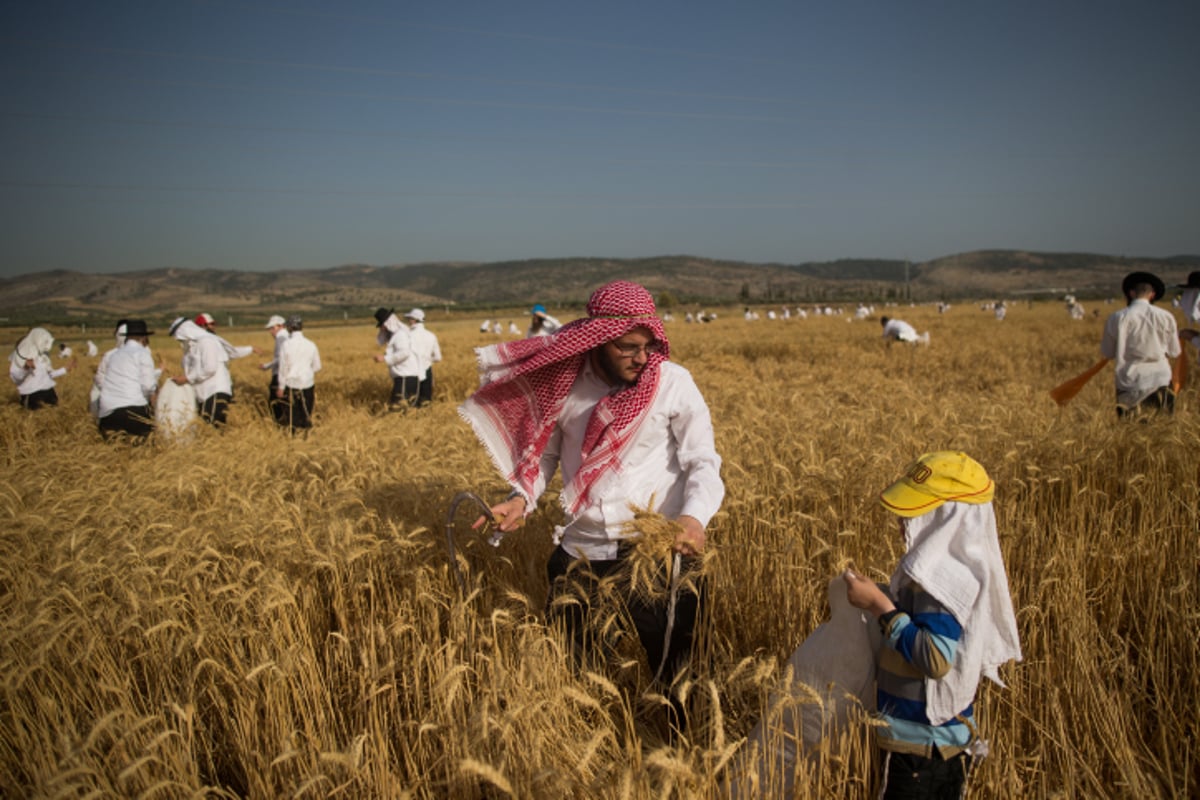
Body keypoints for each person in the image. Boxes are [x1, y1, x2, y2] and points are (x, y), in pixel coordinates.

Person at [461, 281, 724, 733]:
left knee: (675, 673)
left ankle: (680, 752)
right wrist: (520, 499)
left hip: (655, 552)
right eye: (627, 347)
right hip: (581, 550)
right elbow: (544, 455)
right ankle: (600, 751)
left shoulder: (672, 383)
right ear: (599, 338)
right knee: (578, 668)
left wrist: (693, 519)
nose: (640, 357)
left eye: (647, 345)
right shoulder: (565, 383)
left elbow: (703, 461)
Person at [843, 451, 1021, 800]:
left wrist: (880, 607)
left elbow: (936, 658)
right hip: (945, 745)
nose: (901, 521)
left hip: (917, 749)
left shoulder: (937, 582)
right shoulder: (955, 575)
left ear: (946, 519)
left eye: (915, 512)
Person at [1100, 271, 1181, 418]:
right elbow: (1174, 352)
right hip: (1160, 379)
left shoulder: (1116, 318)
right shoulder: (1166, 316)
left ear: (1131, 293)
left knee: (1130, 433)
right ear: (1152, 295)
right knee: (1163, 432)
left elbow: (1108, 352)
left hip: (1128, 382)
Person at [97, 320, 158, 442]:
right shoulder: (142, 353)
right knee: (145, 450)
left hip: (108, 412)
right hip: (133, 410)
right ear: (144, 337)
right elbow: (148, 385)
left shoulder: (114, 355)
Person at [169, 316, 233, 427]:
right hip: (203, 394)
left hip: (215, 391)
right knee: (208, 427)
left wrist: (186, 379)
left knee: (212, 428)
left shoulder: (206, 341)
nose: (179, 340)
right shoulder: (191, 346)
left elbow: (210, 368)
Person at [275, 315, 321, 432]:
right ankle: (307, 439)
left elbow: (283, 368)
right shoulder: (311, 344)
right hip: (308, 384)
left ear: (289, 328)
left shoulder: (286, 345)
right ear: (302, 327)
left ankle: (295, 439)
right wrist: (307, 372)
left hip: (291, 384)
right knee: (306, 414)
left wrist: (281, 387)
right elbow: (317, 366)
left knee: (293, 417)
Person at [10, 327, 74, 409]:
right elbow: (16, 378)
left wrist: (65, 369)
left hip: (49, 392)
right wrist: (26, 368)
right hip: (31, 394)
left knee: (55, 416)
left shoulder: (41, 358)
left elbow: (48, 375)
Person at [373, 307, 419, 410]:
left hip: (405, 376)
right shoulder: (399, 333)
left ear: (388, 323)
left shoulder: (400, 335)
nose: (382, 329)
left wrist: (384, 358)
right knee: (404, 409)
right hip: (405, 376)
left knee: (398, 408)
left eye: (382, 325)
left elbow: (404, 353)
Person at [404, 308, 442, 407]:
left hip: (411, 372)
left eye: (409, 318)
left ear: (414, 320)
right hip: (427, 371)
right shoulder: (431, 335)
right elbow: (438, 357)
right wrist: (427, 360)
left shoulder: (408, 335)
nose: (408, 321)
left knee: (411, 402)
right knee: (426, 402)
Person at [260, 315, 288, 424]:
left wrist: (266, 366)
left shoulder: (281, 338)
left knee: (275, 403)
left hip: (279, 375)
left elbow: (281, 358)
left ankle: (280, 426)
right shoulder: (289, 336)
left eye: (272, 328)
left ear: (280, 326)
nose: (271, 332)